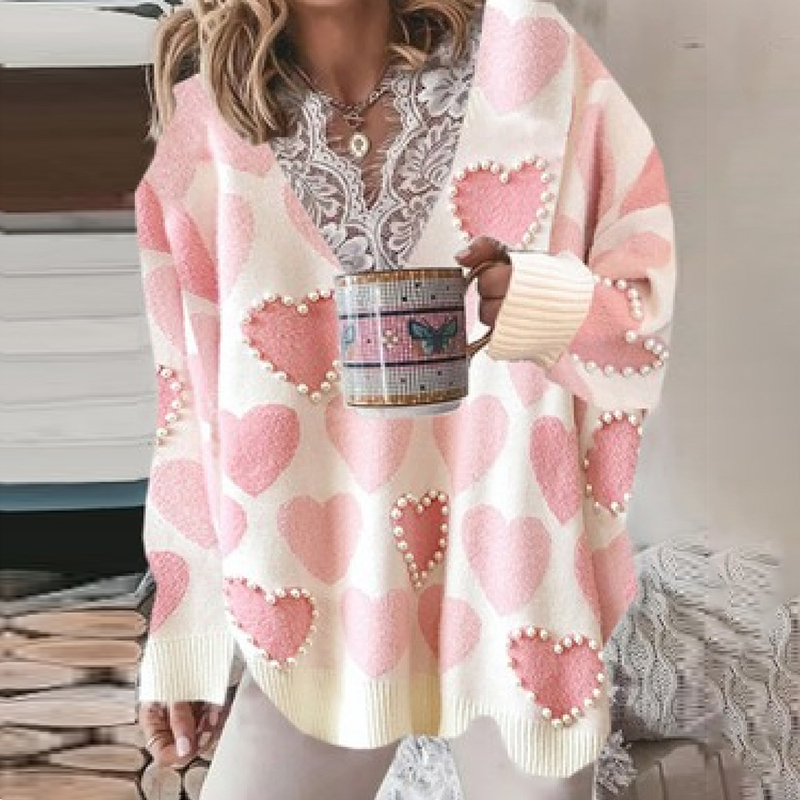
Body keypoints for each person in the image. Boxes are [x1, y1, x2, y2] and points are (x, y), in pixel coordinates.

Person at [133, 0, 677, 796]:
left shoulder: (529, 60)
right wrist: (188, 632)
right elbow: (186, 395)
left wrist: (536, 301)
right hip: (309, 607)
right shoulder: (209, 120)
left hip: (514, 598)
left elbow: (643, 295)